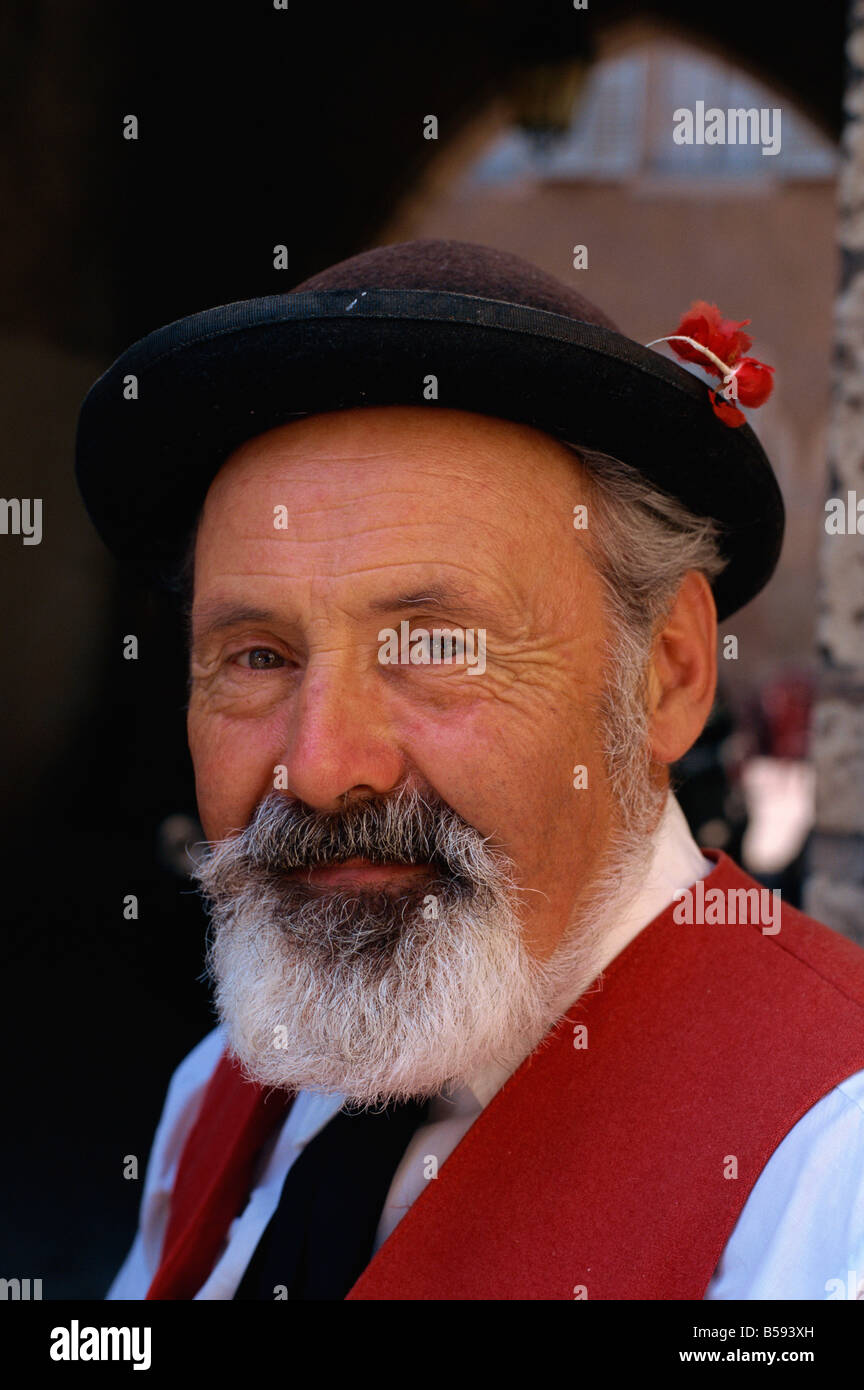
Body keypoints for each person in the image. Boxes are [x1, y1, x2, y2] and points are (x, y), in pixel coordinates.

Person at [75, 238, 864, 1300]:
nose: (317, 770)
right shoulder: (222, 1092)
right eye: (257, 657)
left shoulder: (832, 1169)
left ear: (667, 676)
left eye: (437, 646)